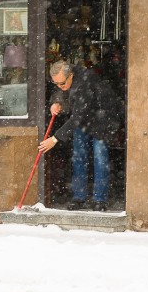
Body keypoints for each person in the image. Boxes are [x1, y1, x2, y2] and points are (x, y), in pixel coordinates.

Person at [38, 60, 123, 211]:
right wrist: (56, 102)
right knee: (79, 157)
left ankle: (100, 200)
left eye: (62, 83)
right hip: (82, 122)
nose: (60, 86)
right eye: (56, 84)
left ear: (70, 75)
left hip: (100, 120)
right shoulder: (66, 79)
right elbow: (63, 92)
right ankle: (79, 197)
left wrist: (55, 138)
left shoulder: (85, 82)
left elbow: (78, 116)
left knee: (100, 158)